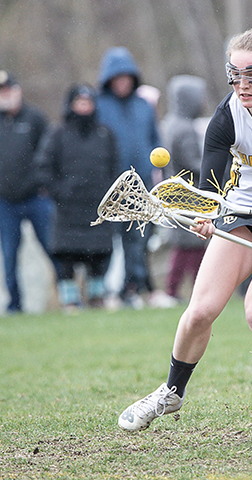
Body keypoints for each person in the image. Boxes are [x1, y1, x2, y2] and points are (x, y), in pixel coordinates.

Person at [117, 28, 252, 443]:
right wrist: (207, 215)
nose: (242, 85)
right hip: (242, 211)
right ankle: (170, 393)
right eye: (233, 75)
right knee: (200, 310)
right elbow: (211, 187)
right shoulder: (227, 114)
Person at [96, 47, 176, 309]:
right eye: (117, 78)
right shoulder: (99, 106)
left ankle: (137, 288)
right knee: (120, 240)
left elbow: (155, 140)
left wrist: (162, 177)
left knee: (141, 239)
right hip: (113, 186)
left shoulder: (143, 105)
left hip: (143, 185)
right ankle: (125, 290)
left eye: (126, 78)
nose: (122, 83)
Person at [35, 84, 120, 311]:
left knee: (99, 256)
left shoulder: (105, 134)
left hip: (97, 208)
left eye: (88, 102)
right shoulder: (57, 134)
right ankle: (70, 300)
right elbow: (43, 168)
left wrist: (108, 195)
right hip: (67, 210)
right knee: (66, 257)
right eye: (79, 103)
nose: (84, 107)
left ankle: (97, 297)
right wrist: (60, 193)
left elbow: (115, 168)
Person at [0, 70, 56, 313]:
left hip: (36, 197)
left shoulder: (35, 118)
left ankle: (68, 296)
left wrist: (44, 185)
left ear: (18, 91)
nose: (4, 95)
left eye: (8, 90)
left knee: (53, 248)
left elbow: (49, 153)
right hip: (5, 201)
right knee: (9, 256)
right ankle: (14, 305)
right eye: (0, 92)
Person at [158, 75, 210, 301]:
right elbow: (192, 163)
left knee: (187, 245)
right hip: (189, 195)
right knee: (192, 244)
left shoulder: (168, 124)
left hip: (174, 193)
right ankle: (177, 291)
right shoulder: (185, 129)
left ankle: (187, 290)